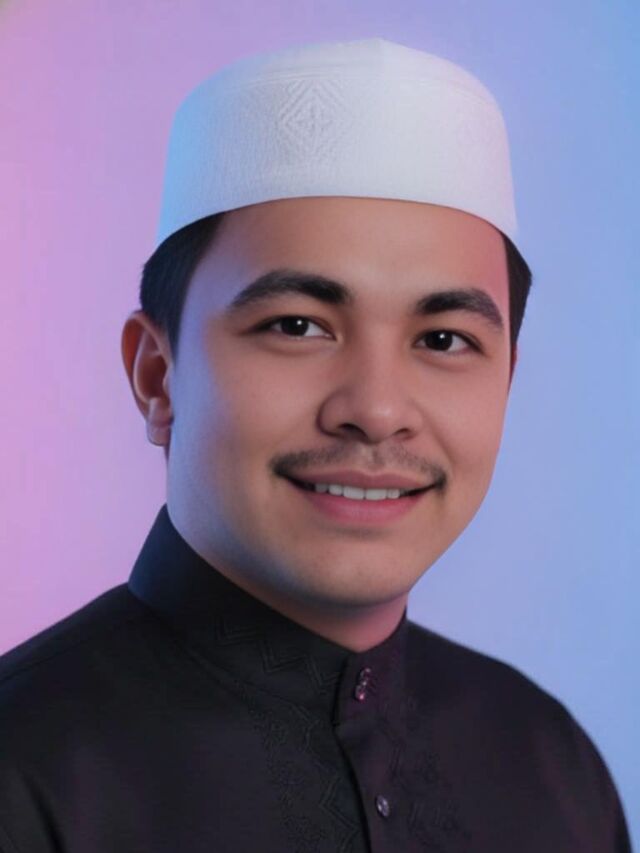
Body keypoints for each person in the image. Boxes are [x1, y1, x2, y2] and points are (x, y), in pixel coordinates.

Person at [0, 37, 632, 852]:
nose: (376, 409)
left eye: (443, 339)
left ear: (506, 379)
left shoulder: (549, 762)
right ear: (158, 375)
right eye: (297, 325)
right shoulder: (25, 774)